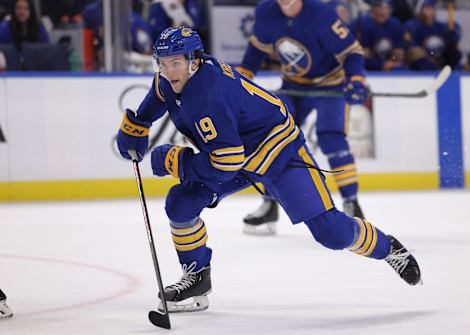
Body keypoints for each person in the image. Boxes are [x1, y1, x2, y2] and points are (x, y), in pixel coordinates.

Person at [115, 26, 422, 313]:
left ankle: (388, 247)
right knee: (181, 203)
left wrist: (177, 163)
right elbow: (158, 96)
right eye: (163, 63)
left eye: (176, 63)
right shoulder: (172, 79)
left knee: (330, 232)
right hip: (235, 154)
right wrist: (137, 124)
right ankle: (197, 280)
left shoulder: (210, 96)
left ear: (195, 61)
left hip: (279, 153)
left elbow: (225, 163)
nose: (168, 71)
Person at [236, 0, 367, 235]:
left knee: (331, 139)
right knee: (272, 138)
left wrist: (356, 79)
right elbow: (258, 48)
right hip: (293, 86)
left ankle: (351, 203)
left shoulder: (321, 14)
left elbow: (352, 52)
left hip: (331, 86)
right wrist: (245, 72)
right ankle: (270, 203)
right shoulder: (266, 12)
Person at [404, 0, 461, 70]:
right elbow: (414, 52)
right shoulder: (413, 27)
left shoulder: (442, 27)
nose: (428, 11)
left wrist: (453, 38)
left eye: (431, 7)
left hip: (442, 64)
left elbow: (453, 51)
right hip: (423, 66)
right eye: (426, 8)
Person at [351, 0, 406, 71]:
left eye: (386, 8)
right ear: (372, 8)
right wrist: (381, 65)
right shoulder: (362, 24)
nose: (382, 11)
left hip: (391, 68)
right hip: (367, 69)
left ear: (390, 9)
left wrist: (393, 61)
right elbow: (361, 55)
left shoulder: (395, 25)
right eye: (379, 7)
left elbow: (397, 54)